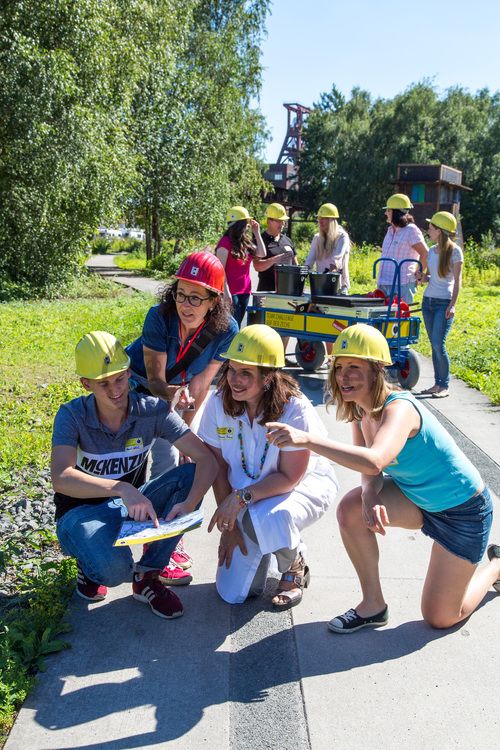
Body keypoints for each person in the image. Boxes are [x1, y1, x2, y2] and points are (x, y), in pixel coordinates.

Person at [267, 323, 498, 632]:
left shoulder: (400, 409)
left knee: (440, 617)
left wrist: (305, 439)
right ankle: (373, 605)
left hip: (464, 512)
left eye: (354, 368)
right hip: (416, 499)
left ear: (376, 370)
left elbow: (375, 458)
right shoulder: (361, 410)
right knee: (351, 509)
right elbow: (368, 469)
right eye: (338, 367)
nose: (343, 376)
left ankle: (495, 566)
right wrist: (370, 494)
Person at [51, 331, 218, 619]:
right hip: (80, 513)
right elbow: (61, 477)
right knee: (114, 572)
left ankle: (148, 578)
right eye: (103, 384)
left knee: (189, 475)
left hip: (128, 507)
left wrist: (189, 504)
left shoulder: (152, 410)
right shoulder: (72, 414)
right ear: (86, 383)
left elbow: (206, 460)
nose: (115, 390)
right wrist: (122, 488)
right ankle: (89, 564)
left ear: (129, 372)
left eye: (120, 378)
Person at [197, 324, 338, 607]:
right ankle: (265, 542)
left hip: (299, 488)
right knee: (234, 594)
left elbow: (289, 477)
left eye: (246, 373)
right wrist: (229, 526)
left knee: (270, 517)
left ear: (269, 377)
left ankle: (293, 563)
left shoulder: (293, 408)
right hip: (248, 496)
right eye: (232, 370)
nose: (235, 380)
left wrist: (239, 501)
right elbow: (217, 466)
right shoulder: (217, 403)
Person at [125, 251, 237, 582]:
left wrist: (187, 433)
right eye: (180, 294)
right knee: (149, 461)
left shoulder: (226, 330)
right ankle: (153, 546)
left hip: (176, 398)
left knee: (178, 458)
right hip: (139, 390)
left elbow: (202, 386)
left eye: (195, 298)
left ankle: (165, 541)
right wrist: (175, 398)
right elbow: (156, 380)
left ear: (214, 300)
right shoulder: (158, 317)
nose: (185, 305)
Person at [418, 211, 463, 398]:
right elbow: (431, 277)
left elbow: (458, 281)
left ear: (440, 231)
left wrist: (452, 305)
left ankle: (443, 385)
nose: (428, 230)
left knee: (438, 344)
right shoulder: (431, 251)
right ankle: (437, 384)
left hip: (443, 303)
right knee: (434, 344)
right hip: (428, 302)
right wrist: (422, 278)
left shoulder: (455, 252)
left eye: (431, 228)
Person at [253, 202, 297, 366]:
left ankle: (281, 357)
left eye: (284, 221)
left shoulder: (287, 240)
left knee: (286, 325)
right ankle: (262, 359)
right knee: (265, 327)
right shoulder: (261, 239)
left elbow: (295, 263)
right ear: (269, 220)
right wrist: (277, 259)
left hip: (286, 292)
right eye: (279, 221)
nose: (282, 224)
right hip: (267, 290)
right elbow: (257, 265)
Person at [215, 206, 266, 326]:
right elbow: (220, 271)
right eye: (246, 223)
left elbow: (262, 253)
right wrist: (225, 292)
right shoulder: (225, 243)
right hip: (231, 292)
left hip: (245, 291)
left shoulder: (245, 242)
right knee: (231, 327)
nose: (248, 225)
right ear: (239, 224)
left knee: (238, 326)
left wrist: (257, 233)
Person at [377, 194, 428, 303]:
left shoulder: (411, 230)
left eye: (388, 210)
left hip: (402, 284)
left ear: (396, 212)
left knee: (400, 318)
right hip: (384, 283)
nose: (385, 213)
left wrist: (418, 273)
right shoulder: (389, 230)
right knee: (384, 319)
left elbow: (425, 253)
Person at [305, 203, 351, 294]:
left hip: (339, 287)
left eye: (324, 218)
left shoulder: (342, 237)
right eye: (319, 218)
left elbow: (336, 260)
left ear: (332, 220)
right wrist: (301, 273)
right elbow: (309, 261)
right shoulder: (317, 238)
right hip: (320, 286)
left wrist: (325, 277)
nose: (320, 221)